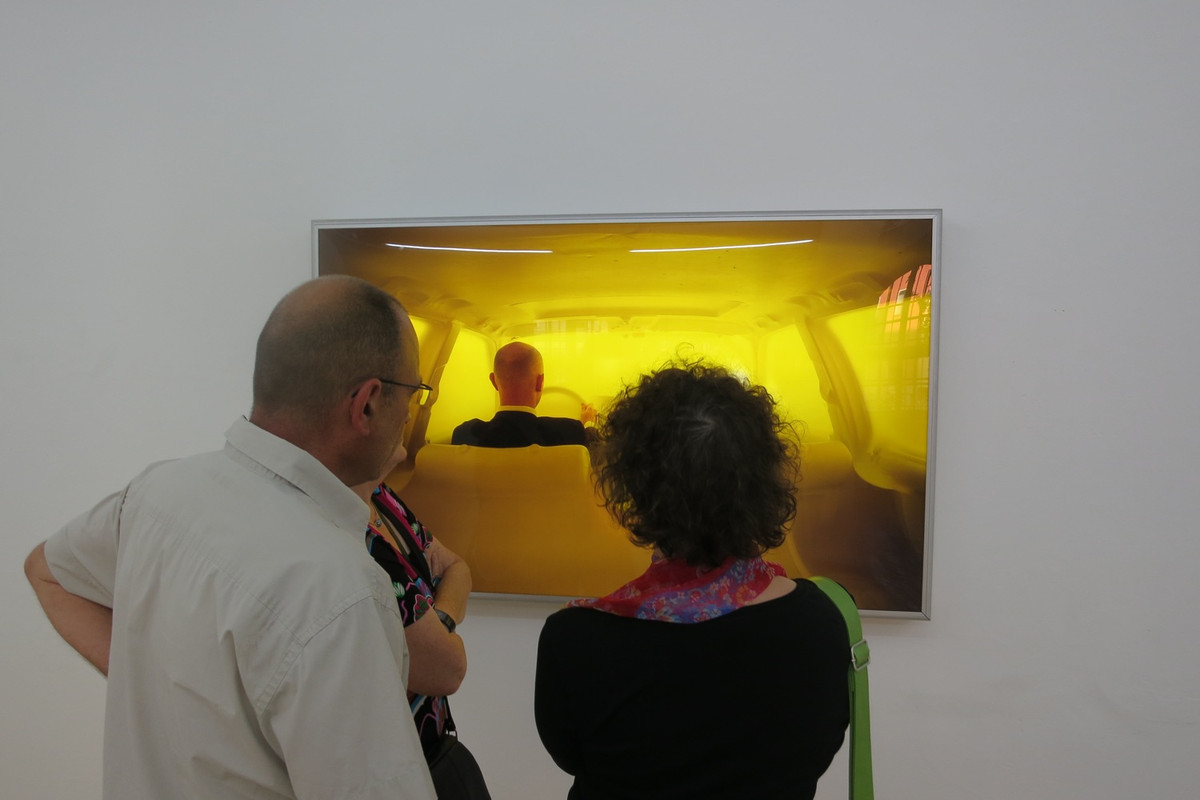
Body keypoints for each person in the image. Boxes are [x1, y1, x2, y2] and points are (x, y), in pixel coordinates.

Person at [23, 275, 436, 800]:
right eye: (413, 393)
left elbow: (48, 569)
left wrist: (166, 699)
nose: (412, 412)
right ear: (368, 403)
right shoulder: (340, 591)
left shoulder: (157, 492)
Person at [534, 360, 851, 800]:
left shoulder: (575, 640)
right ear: (765, 480)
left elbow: (572, 757)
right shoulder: (823, 621)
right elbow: (819, 749)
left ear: (634, 489)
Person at [350, 459, 491, 798]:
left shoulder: (381, 496)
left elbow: (457, 567)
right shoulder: (353, 533)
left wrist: (440, 621)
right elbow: (445, 669)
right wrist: (440, 635)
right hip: (388, 774)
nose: (409, 415)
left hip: (434, 752)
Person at [451, 341, 595, 447]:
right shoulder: (571, 432)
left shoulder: (464, 434)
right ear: (540, 382)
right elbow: (596, 450)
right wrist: (587, 422)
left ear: (494, 381)